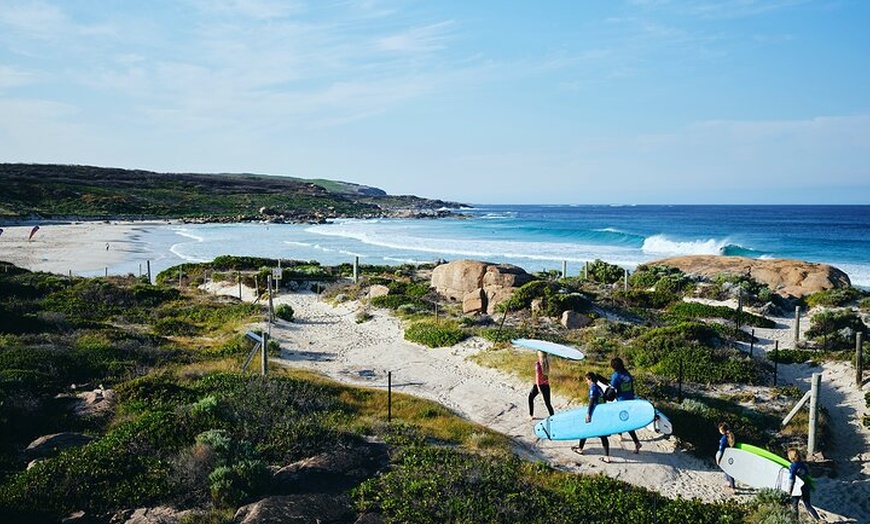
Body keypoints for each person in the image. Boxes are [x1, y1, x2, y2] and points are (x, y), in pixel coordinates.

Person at [571, 371, 610, 462]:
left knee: (585, 430)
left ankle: (580, 449)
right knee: (603, 435)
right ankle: (606, 456)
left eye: (587, 380)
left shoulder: (593, 387)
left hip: (594, 413)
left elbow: (592, 400)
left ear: (590, 379)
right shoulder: (599, 387)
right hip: (601, 413)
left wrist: (588, 413)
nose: (586, 382)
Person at [609, 357, 642, 453]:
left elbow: (612, 389)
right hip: (630, 399)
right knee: (621, 418)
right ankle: (620, 435)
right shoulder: (627, 374)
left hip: (622, 401)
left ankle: (637, 442)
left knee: (626, 422)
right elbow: (631, 387)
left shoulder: (616, 376)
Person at [787, 448, 822, 522]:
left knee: (794, 505)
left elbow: (792, 479)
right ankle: (819, 520)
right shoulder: (802, 464)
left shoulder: (793, 466)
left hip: (797, 488)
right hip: (805, 486)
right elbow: (808, 475)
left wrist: (789, 491)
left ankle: (795, 521)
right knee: (808, 505)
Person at [528, 351, 554, 420]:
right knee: (548, 403)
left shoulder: (538, 364)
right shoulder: (547, 364)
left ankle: (531, 415)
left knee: (530, 398)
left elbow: (537, 376)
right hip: (546, 385)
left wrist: (538, 387)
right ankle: (553, 417)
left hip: (538, 385)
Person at [715, 422, 736, 493]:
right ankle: (728, 482)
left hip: (725, 456)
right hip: (730, 455)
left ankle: (733, 488)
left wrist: (718, 459)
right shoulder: (730, 436)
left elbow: (721, 450)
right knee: (726, 470)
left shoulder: (723, 439)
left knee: (728, 471)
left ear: (722, 430)